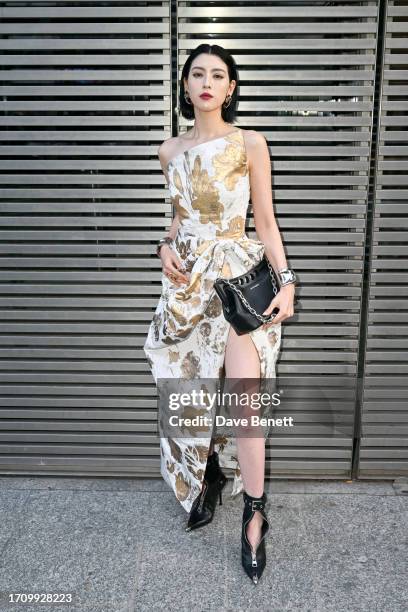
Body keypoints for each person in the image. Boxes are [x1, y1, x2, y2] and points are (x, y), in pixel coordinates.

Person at [144, 43, 296, 585]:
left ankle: (255, 513)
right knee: (191, 390)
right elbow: (177, 221)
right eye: (197, 74)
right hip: (188, 286)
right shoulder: (168, 151)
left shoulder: (250, 142)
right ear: (185, 86)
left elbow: (268, 223)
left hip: (236, 280)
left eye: (218, 75)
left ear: (231, 88)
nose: (208, 82)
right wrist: (164, 247)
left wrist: (288, 283)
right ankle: (206, 477)